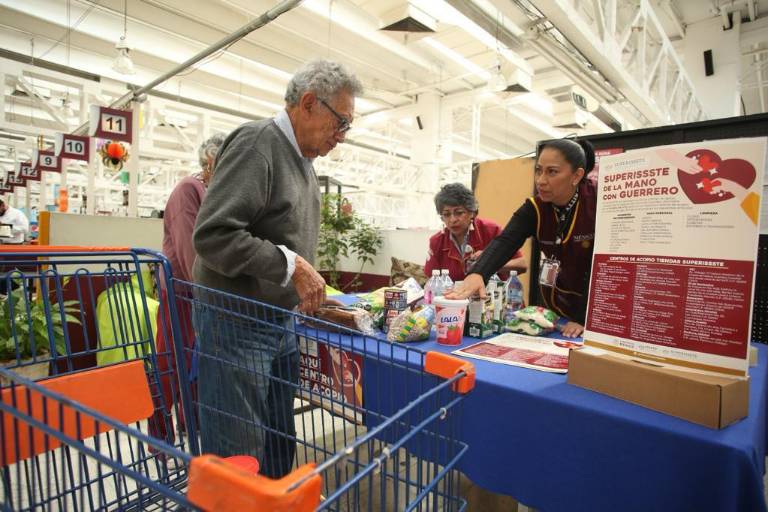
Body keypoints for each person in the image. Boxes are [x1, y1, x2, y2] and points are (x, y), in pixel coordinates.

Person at [192, 59, 363, 478]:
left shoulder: (304, 161)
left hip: (278, 324)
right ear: (308, 103)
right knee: (239, 452)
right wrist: (291, 267)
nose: (340, 137)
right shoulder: (257, 144)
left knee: (277, 439)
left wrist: (306, 288)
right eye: (339, 123)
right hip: (237, 325)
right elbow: (213, 236)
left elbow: (287, 242)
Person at [447, 139, 596, 338]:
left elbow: (603, 268)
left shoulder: (598, 203)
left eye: (552, 172)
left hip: (593, 307)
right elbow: (506, 241)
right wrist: (477, 274)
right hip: (556, 304)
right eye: (538, 170)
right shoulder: (535, 208)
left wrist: (581, 318)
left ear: (576, 175)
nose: (541, 180)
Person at [425, 183, 527, 282]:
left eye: (459, 212)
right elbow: (431, 280)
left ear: (473, 212)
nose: (452, 220)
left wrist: (490, 261)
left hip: (491, 297)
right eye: (446, 214)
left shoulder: (491, 230)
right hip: (454, 297)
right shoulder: (436, 241)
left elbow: (522, 265)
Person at [162, 133, 226, 282]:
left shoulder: (215, 192)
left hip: (206, 287)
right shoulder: (188, 189)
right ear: (209, 165)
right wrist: (204, 290)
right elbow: (189, 251)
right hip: (182, 291)